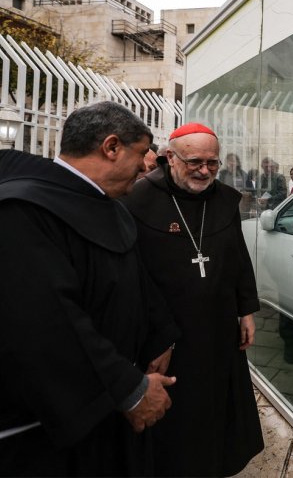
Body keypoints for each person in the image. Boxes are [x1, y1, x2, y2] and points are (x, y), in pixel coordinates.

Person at [0, 101, 180, 476]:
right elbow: (46, 324)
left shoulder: (109, 206)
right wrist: (128, 388)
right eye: (142, 153)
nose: (149, 165)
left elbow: (133, 280)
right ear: (111, 147)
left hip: (111, 409)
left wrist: (161, 334)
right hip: (51, 434)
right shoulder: (23, 211)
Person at [122, 122, 264, 476]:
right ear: (171, 157)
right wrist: (159, 335)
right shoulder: (137, 200)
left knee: (216, 404)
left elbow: (238, 257)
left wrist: (246, 309)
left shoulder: (225, 199)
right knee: (178, 416)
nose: (205, 171)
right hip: (168, 330)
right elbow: (132, 277)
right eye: (195, 162)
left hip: (217, 326)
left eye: (212, 163)